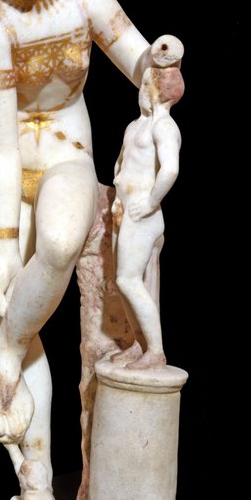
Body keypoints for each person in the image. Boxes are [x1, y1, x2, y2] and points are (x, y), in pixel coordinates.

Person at [0, 0, 184, 486]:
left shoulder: (89, 1)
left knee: (62, 243)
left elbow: (138, 61)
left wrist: (160, 65)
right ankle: (37, 486)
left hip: (68, 155)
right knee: (18, 310)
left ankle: (2, 348)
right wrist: (4, 242)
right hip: (2, 170)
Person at [111, 35, 184, 369]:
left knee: (127, 280)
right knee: (126, 281)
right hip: (126, 210)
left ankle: (155, 349)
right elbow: (121, 166)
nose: (140, 88)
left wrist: (151, 202)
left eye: (145, 83)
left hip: (143, 213)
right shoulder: (135, 126)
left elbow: (170, 170)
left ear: (157, 88)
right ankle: (139, 344)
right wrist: (118, 200)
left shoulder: (164, 126)